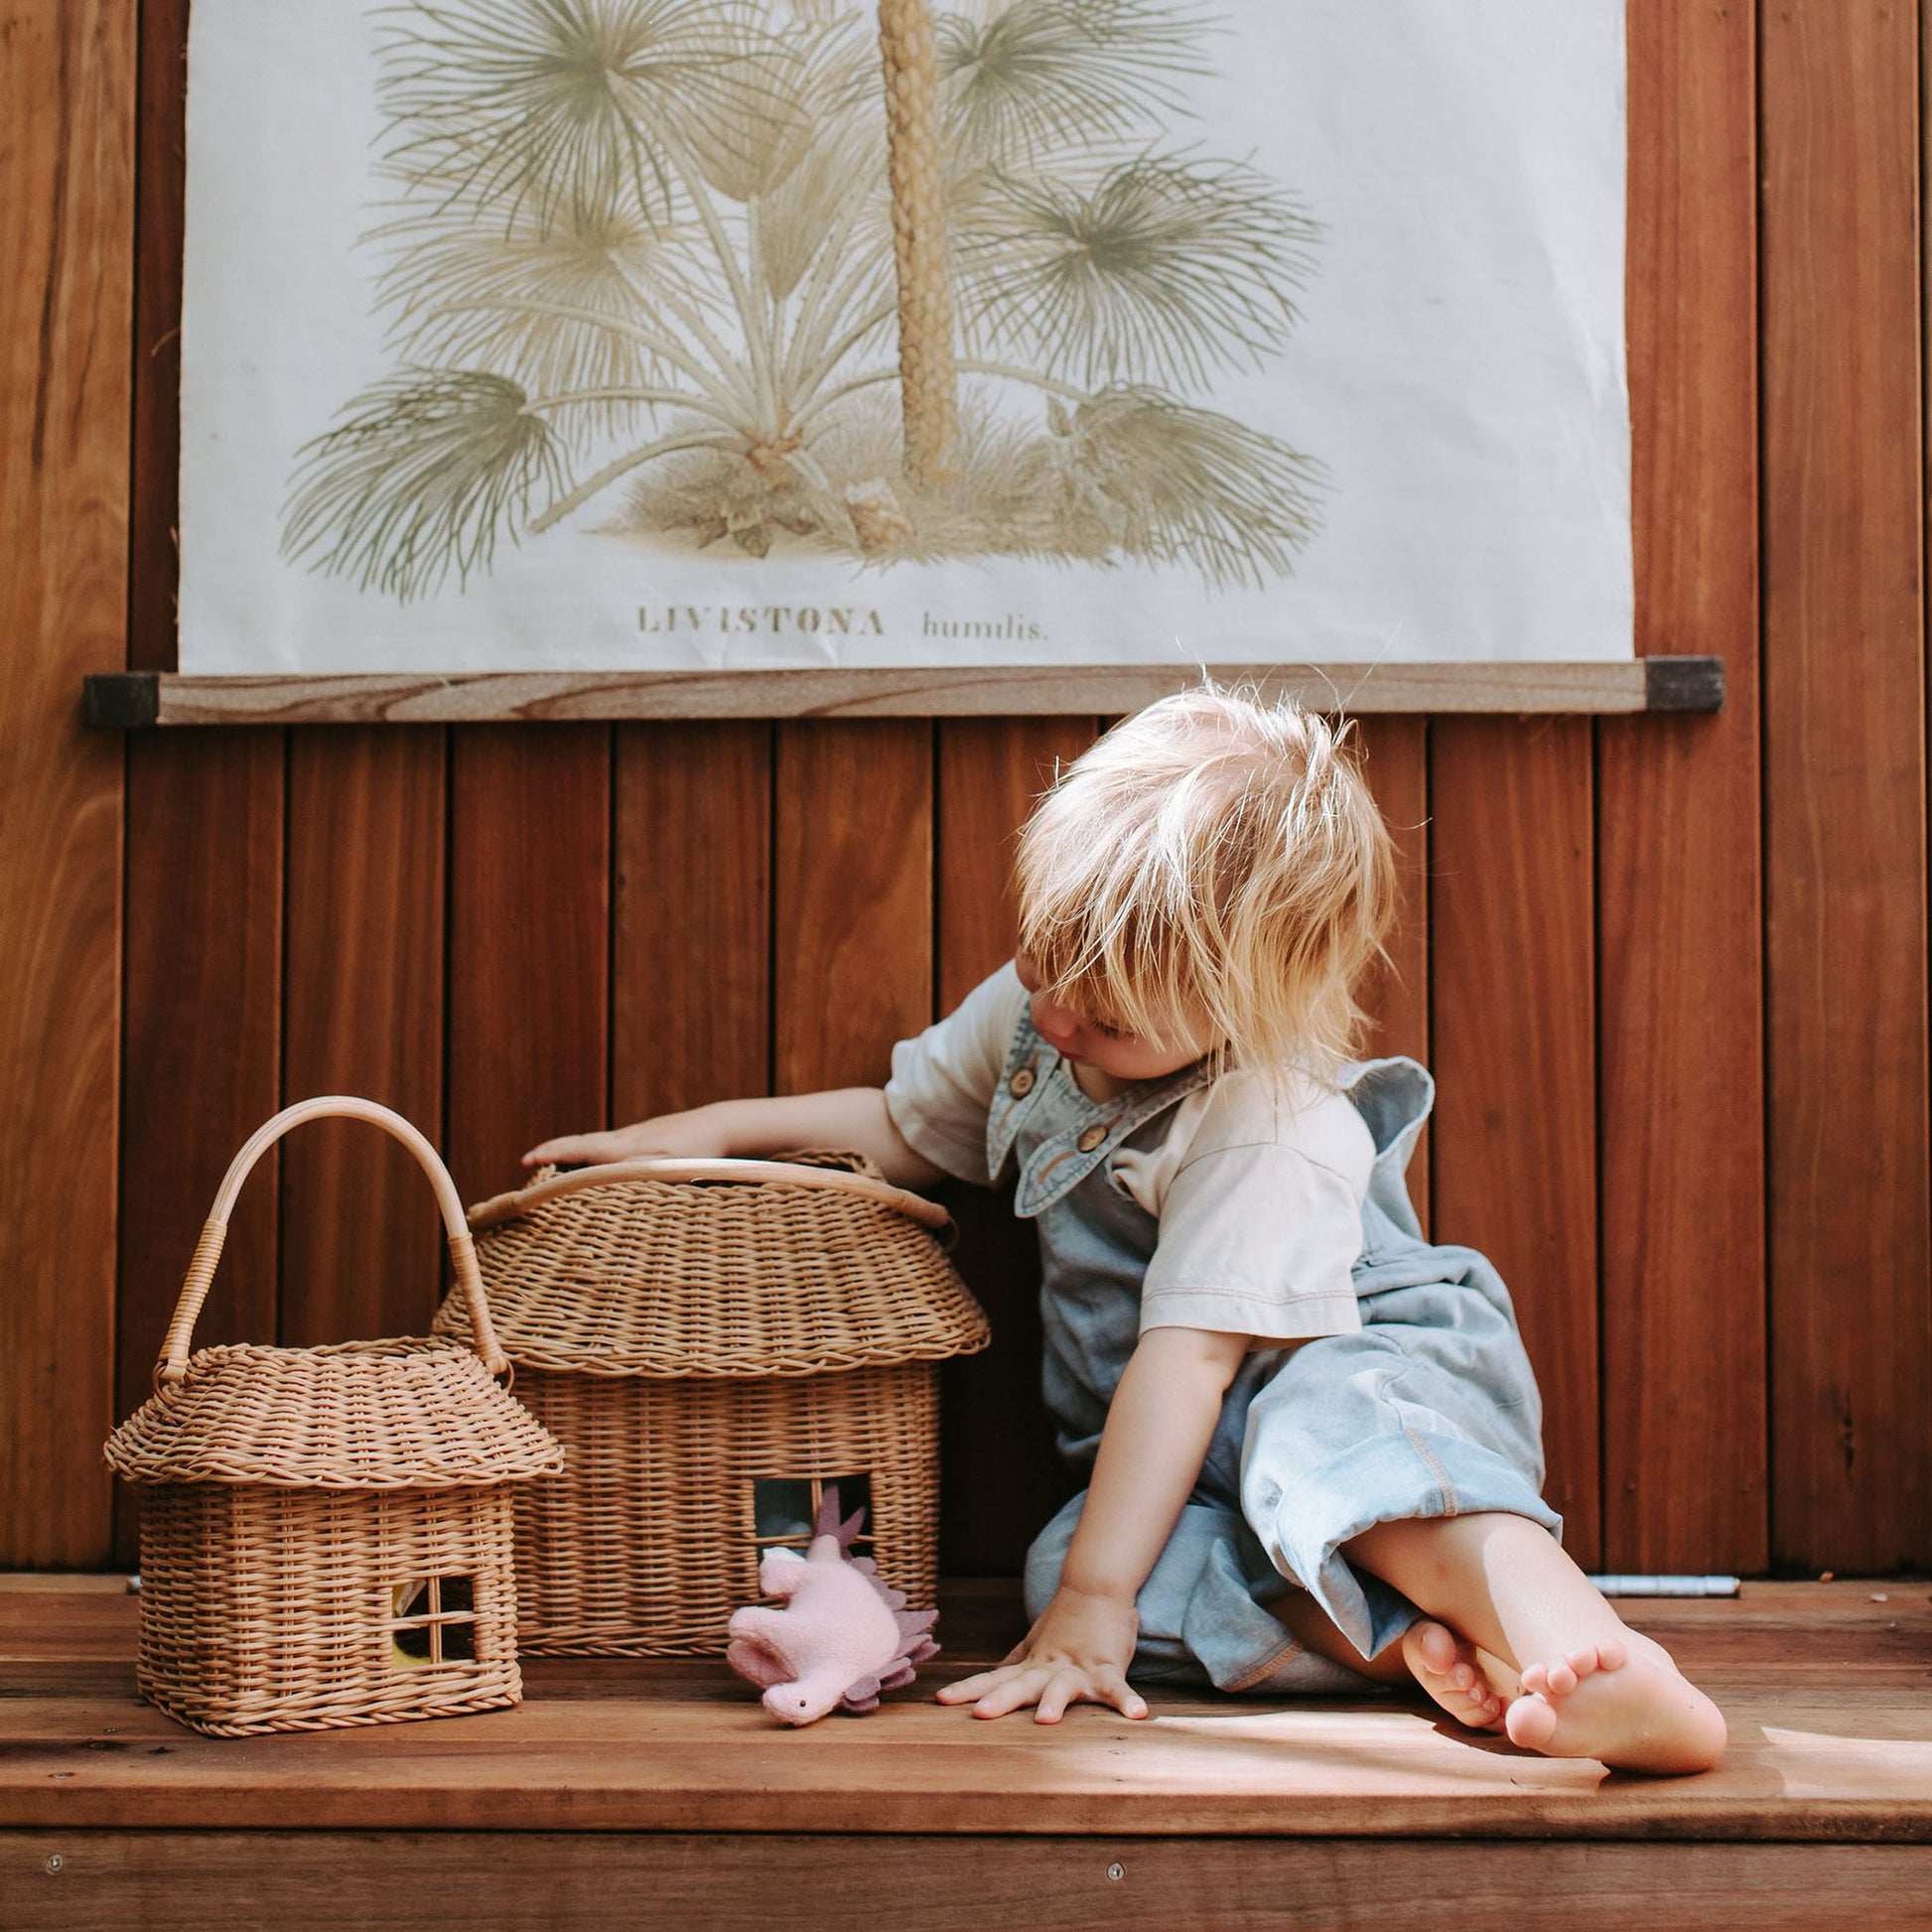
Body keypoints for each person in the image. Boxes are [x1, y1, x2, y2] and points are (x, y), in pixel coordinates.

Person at [527, 689, 1726, 1774]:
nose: (1054, 1017)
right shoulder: (1047, 1008)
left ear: (1247, 1000)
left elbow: (1189, 1358)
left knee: (1338, 1469)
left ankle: (1599, 1657)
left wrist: (1098, 1601)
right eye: (1044, 960)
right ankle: (1409, 1648)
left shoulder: (1266, 1118)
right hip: (1179, 1456)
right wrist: (706, 1129)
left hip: (1345, 1370)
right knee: (1062, 1567)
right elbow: (906, 1123)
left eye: (1101, 1017)